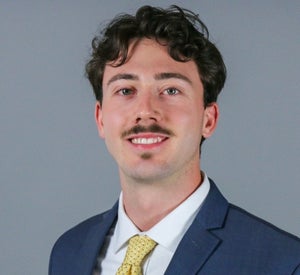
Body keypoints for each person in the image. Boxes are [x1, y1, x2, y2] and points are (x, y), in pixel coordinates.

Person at [49, 5, 300, 275]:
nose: (145, 110)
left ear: (208, 119)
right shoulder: (69, 251)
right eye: (125, 90)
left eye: (170, 89)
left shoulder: (282, 262)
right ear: (100, 119)